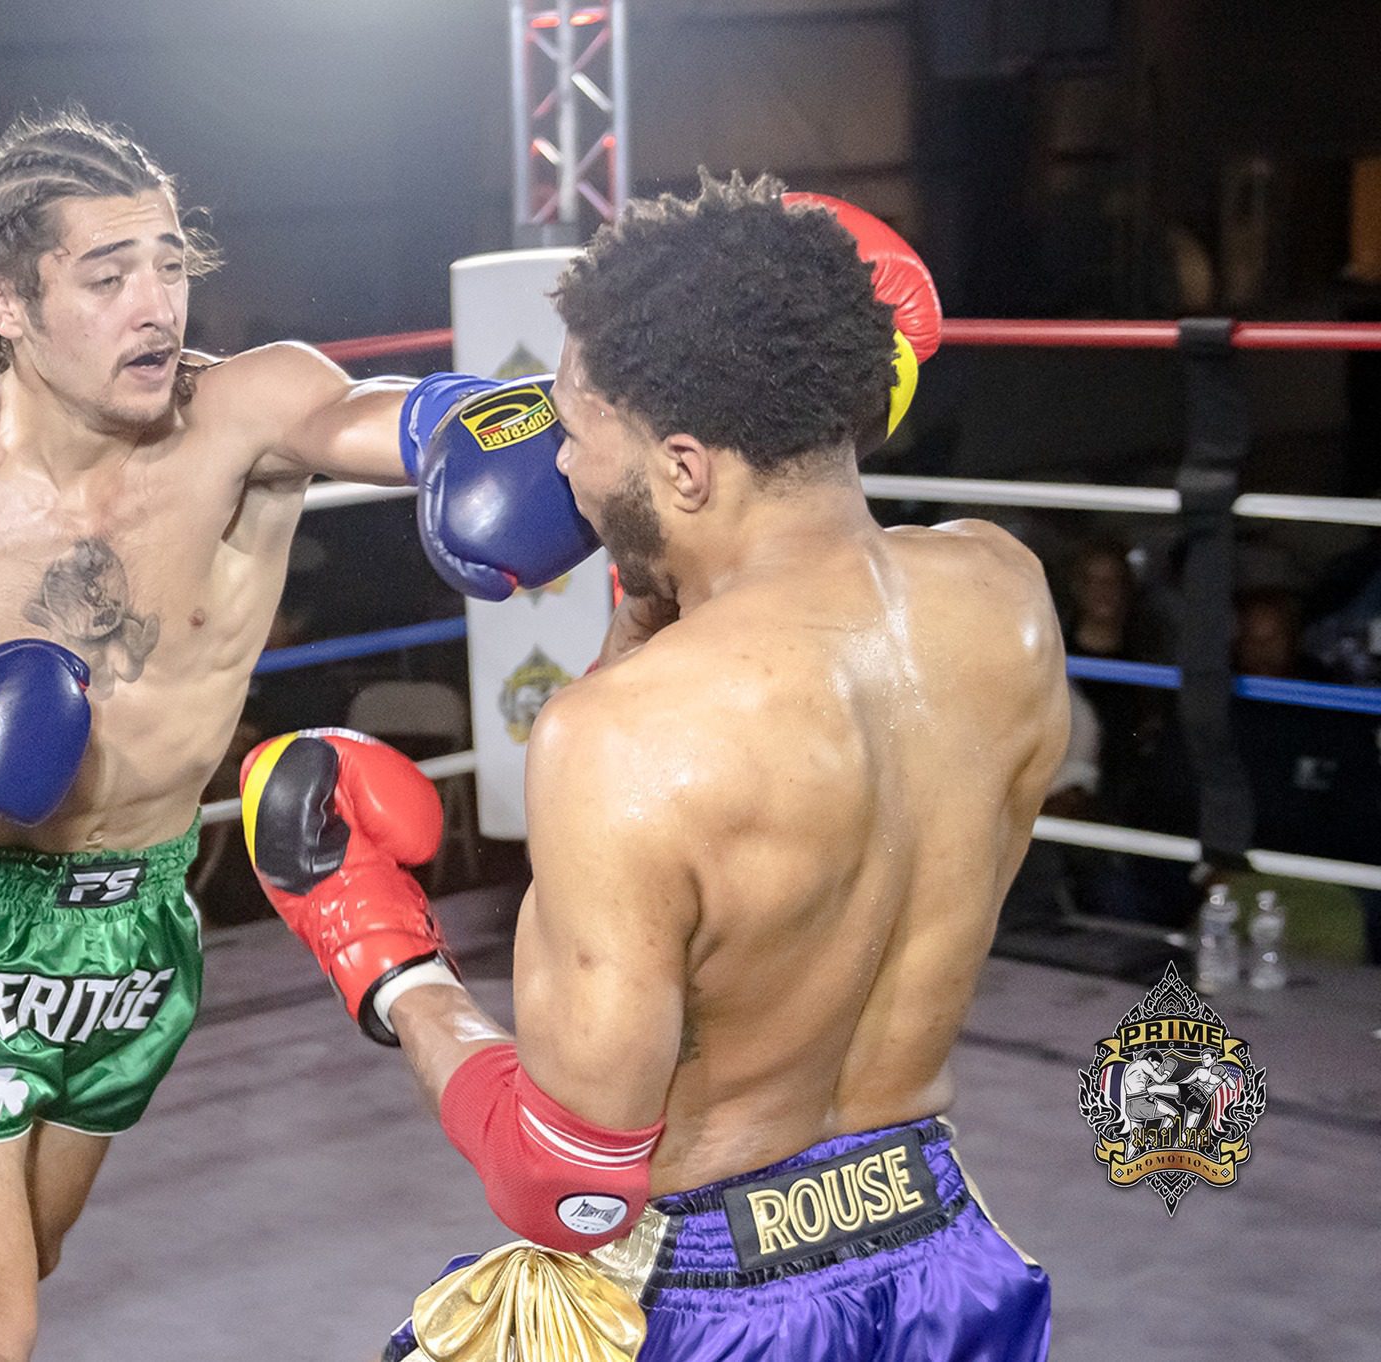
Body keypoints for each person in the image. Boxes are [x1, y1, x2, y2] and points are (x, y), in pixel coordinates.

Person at [0, 109, 588, 1362]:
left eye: (170, 265)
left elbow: (374, 414)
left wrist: (474, 430)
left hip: (141, 917)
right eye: (106, 277)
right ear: (5, 304)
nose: (156, 307)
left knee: (5, 1262)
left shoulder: (246, 412)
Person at [241, 175, 1060, 1361]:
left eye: (574, 429)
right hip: (943, 1256)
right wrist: (637, 620)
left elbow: (565, 1183)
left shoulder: (618, 742)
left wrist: (385, 962)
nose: (560, 468)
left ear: (683, 468)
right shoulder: (1005, 594)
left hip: (707, 1301)